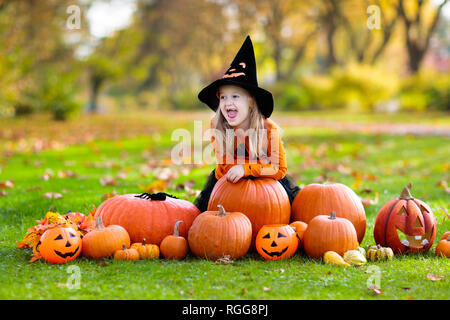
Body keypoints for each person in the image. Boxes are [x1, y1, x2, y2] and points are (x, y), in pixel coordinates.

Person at [194, 35, 300, 212]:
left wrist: (246, 169)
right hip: (229, 180)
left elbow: (278, 169)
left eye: (235, 96)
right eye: (223, 97)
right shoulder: (217, 125)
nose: (228, 103)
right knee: (208, 217)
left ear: (251, 101)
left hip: (266, 182)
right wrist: (239, 169)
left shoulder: (268, 129)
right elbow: (226, 164)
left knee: (286, 213)